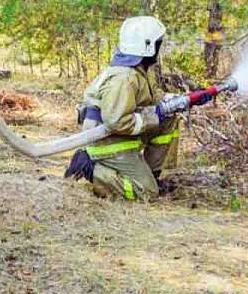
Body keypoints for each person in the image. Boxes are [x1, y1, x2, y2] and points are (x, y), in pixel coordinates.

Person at [64, 16, 188, 201]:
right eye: (157, 43)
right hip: (107, 140)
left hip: (119, 133)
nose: (159, 47)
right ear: (147, 46)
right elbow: (116, 121)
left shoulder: (140, 69)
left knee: (170, 119)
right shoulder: (124, 78)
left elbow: (152, 98)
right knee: (147, 192)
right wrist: (154, 117)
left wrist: (177, 101)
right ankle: (92, 170)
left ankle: (151, 175)